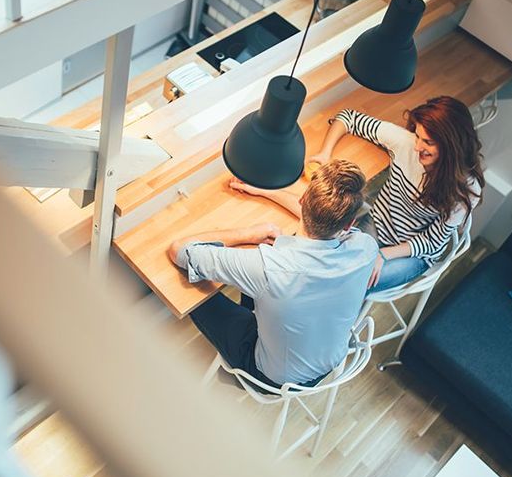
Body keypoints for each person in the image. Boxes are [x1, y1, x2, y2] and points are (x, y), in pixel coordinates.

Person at [168, 160, 377, 389]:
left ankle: (238, 376)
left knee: (192, 289)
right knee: (258, 288)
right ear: (349, 225)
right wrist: (262, 190)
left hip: (274, 379)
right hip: (328, 361)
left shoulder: (269, 268)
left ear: (302, 199)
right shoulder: (366, 247)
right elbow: (325, 221)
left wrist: (248, 234)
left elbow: (180, 250)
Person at [242, 96, 484, 292]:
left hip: (409, 253)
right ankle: (265, 190)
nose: (418, 146)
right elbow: (348, 118)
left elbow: (431, 242)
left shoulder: (467, 189)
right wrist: (325, 153)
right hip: (373, 227)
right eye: (418, 137)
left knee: (347, 282)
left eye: (428, 142)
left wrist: (381, 254)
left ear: (451, 145)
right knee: (320, 220)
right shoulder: (406, 143)